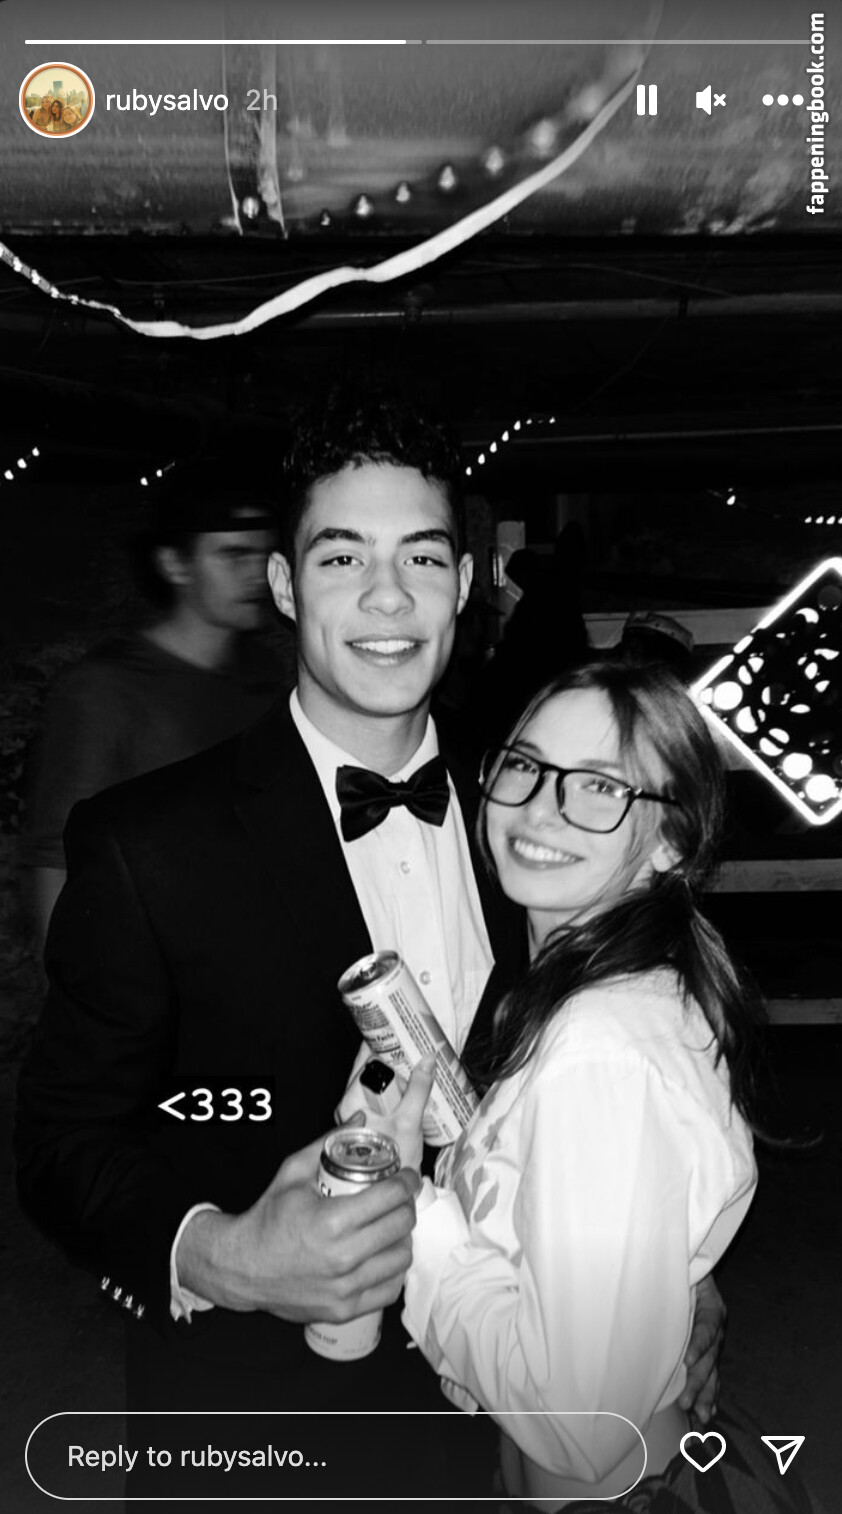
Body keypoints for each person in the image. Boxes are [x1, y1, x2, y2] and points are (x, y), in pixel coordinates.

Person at [15, 395, 720, 1504]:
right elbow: (61, 1138)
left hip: (501, 1424)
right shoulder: (149, 844)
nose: (388, 596)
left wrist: (663, 1264)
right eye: (342, 556)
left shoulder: (529, 812)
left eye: (421, 558)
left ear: (464, 584)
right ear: (285, 586)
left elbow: (620, 1090)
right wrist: (217, 1251)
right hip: (258, 1425)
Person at [401, 660, 823, 1512]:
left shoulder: (598, 1048)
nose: (539, 808)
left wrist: (411, 1209)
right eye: (525, 765)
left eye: (599, 786)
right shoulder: (605, 981)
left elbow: (581, 1426)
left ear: (672, 842)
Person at [22, 483, 293, 948]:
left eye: (264, 554)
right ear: (174, 564)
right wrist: (71, 982)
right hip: (152, 966)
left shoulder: (267, 675)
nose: (256, 573)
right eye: (233, 555)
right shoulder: (104, 690)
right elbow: (57, 858)